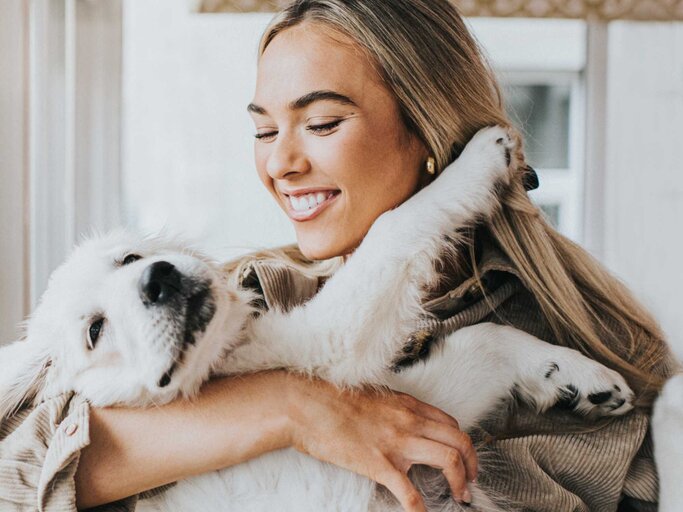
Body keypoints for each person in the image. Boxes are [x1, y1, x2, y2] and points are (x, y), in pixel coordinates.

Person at [0, 1, 674, 511]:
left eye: (321, 124)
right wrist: (290, 408)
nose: (280, 163)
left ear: (429, 130)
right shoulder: (255, 290)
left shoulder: (588, 345)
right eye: (262, 129)